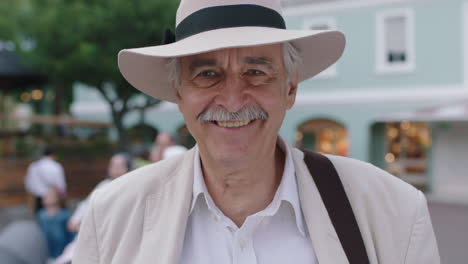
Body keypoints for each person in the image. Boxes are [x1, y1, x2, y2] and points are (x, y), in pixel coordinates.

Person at [73, 1, 440, 263]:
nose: (232, 100)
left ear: (291, 89)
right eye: (207, 74)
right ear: (179, 94)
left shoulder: (394, 213)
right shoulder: (112, 215)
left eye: (257, 72)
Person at [54, 153, 132, 264]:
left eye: (119, 166)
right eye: (112, 166)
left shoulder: (132, 188)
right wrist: (76, 219)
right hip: (93, 235)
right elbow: (86, 205)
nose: (115, 170)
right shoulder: (103, 185)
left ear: (127, 168)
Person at [24, 147, 66, 213]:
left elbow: (28, 183)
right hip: (53, 198)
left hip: (38, 197)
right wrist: (62, 195)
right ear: (52, 155)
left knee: (41, 216)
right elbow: (60, 184)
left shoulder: (34, 166)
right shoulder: (56, 166)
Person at [37, 187, 74, 261]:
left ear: (58, 198)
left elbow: (71, 233)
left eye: (52, 195)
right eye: (47, 196)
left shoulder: (64, 214)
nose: (49, 198)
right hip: (47, 249)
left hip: (62, 248)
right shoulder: (41, 215)